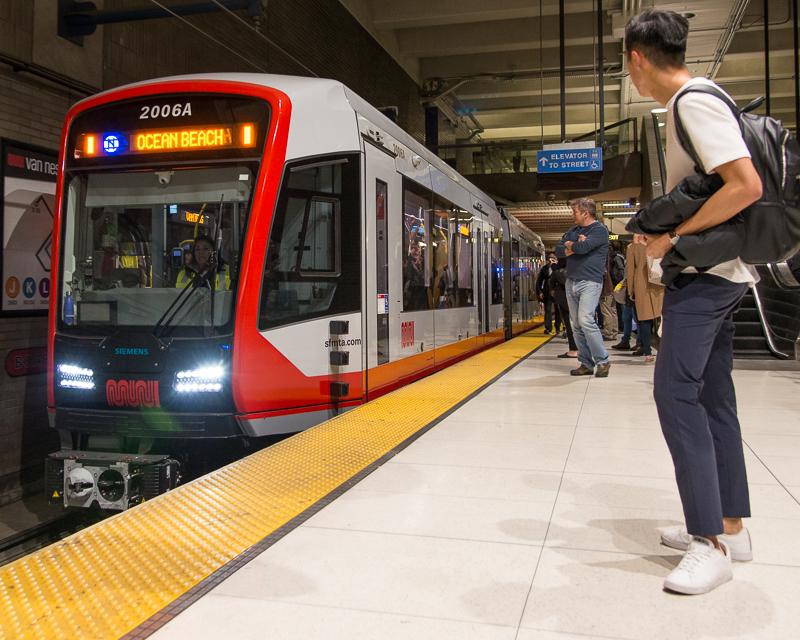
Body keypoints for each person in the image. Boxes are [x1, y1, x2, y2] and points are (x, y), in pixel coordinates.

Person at [625, 9, 762, 595]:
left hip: (707, 278)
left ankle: (709, 543)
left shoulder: (692, 101)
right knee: (712, 395)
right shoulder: (701, 98)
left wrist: (675, 239)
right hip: (722, 274)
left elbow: (744, 184)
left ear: (637, 58)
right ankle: (729, 524)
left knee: (675, 393)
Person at [555, 197, 611, 377]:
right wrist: (574, 245)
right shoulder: (574, 230)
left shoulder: (600, 230)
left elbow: (584, 247)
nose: (573, 215)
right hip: (571, 281)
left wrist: (574, 246)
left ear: (585, 213)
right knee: (576, 324)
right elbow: (558, 249)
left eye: (575, 212)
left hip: (590, 281)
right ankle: (586, 363)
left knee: (586, 320)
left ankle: (603, 360)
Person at [625, 234, 664, 363]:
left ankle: (648, 351)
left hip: (641, 285)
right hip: (658, 284)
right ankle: (665, 349)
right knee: (660, 317)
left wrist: (630, 290)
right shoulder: (657, 241)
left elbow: (630, 270)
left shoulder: (632, 247)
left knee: (644, 320)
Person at [549, 258, 578, 358]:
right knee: (578, 324)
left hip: (564, 300)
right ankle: (581, 348)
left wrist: (554, 268)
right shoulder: (577, 267)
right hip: (577, 299)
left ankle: (574, 349)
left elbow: (553, 283)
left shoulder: (559, 271)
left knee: (569, 325)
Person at [536, 252, 559, 334]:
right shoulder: (544, 268)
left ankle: (557, 327)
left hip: (557, 291)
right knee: (548, 310)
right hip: (547, 291)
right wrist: (540, 291)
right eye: (549, 258)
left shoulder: (558, 267)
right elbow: (539, 281)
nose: (551, 259)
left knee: (558, 310)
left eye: (553, 258)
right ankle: (548, 328)